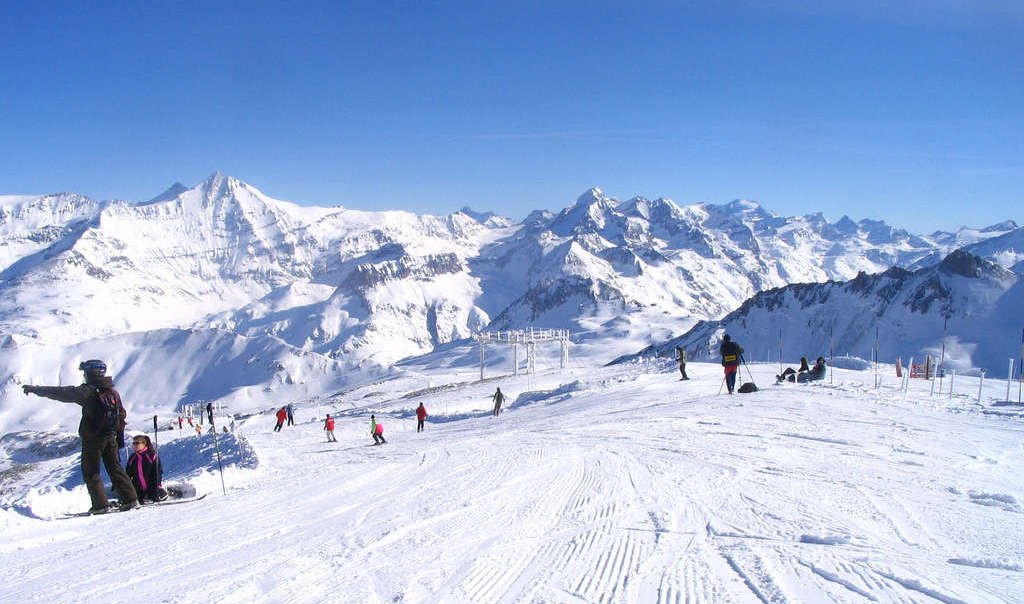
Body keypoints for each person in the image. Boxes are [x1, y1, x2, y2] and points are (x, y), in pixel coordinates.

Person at [22, 359, 140, 513]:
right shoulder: (112, 392)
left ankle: (100, 506)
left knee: (91, 471)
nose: (84, 375)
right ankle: (130, 499)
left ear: (90, 373)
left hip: (93, 439)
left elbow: (61, 393)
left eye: (85, 372)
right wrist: (119, 437)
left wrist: (36, 389)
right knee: (115, 468)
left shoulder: (88, 391)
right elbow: (121, 415)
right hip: (110, 437)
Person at [126, 434, 167, 503]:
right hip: (138, 488)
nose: (135, 445)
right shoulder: (132, 457)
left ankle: (161, 494)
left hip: (152, 486)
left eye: (137, 443)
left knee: (155, 496)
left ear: (144, 444)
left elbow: (157, 472)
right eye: (134, 443)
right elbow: (128, 473)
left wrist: (157, 485)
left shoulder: (152, 456)